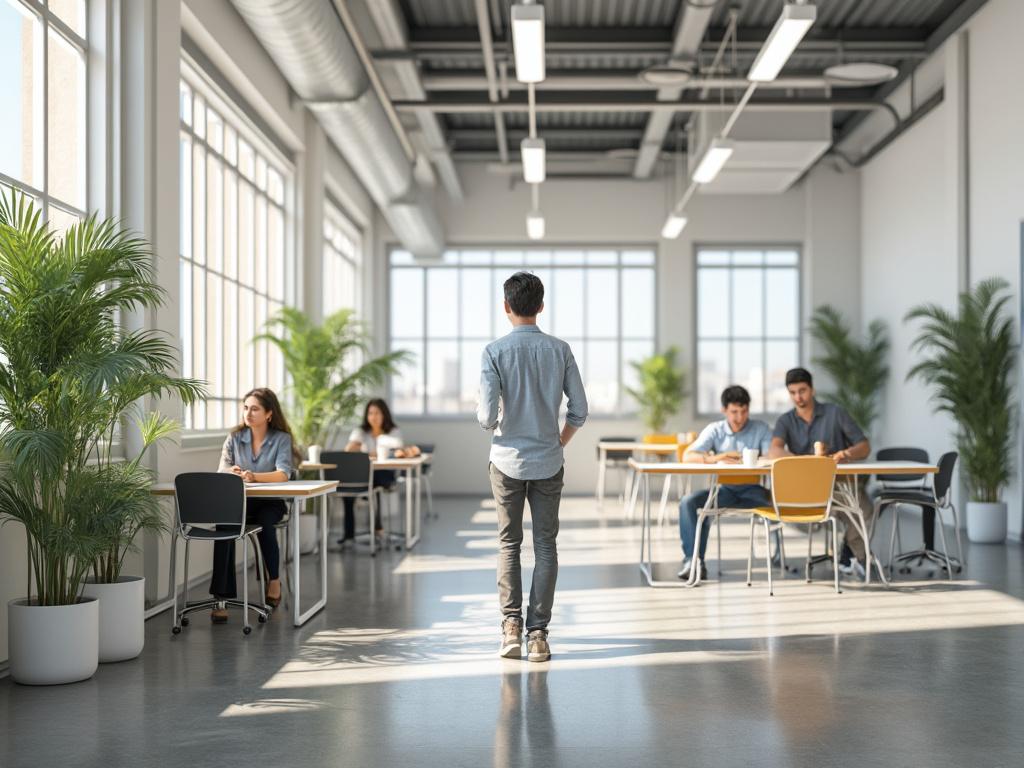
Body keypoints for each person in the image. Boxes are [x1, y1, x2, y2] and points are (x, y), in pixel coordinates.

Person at [478, 272, 587, 662]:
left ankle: (510, 628)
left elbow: (488, 417)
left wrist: (493, 422)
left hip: (506, 462)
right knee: (545, 546)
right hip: (548, 461)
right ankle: (537, 634)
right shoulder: (560, 350)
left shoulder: (493, 352)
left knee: (509, 543)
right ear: (541, 307)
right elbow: (580, 410)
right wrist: (559, 440)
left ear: (506, 307)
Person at [768, 367, 873, 577]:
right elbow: (774, 449)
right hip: (806, 490)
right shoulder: (785, 421)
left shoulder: (835, 413)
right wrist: (803, 462)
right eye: (793, 392)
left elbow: (864, 446)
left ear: (812, 389)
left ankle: (852, 553)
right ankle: (854, 555)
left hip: (840, 486)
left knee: (863, 509)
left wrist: (846, 453)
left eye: (803, 390)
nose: (798, 397)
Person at [212, 387, 300, 623]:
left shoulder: (281, 439)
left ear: (269, 413)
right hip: (240, 502)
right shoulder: (234, 438)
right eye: (245, 408)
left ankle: (274, 579)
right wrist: (232, 471)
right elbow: (222, 470)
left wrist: (254, 477)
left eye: (254, 408)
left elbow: (283, 474)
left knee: (266, 523)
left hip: (270, 503)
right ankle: (221, 597)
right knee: (224, 524)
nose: (248, 413)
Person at [677, 385, 773, 581]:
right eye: (734, 412)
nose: (740, 417)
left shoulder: (761, 428)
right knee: (689, 502)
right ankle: (693, 561)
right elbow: (688, 456)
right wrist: (716, 458)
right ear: (724, 411)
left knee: (782, 500)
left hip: (755, 492)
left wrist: (752, 462)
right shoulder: (715, 430)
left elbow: (771, 458)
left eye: (744, 411)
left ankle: (778, 555)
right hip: (723, 492)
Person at [337, 398, 419, 544]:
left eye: (377, 413)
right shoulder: (361, 432)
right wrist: (354, 446)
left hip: (385, 473)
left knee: (373, 482)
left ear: (384, 415)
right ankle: (349, 534)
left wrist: (369, 452)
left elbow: (396, 450)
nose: (373, 417)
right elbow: (348, 451)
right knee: (348, 489)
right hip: (363, 474)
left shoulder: (393, 432)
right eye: (370, 413)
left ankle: (377, 526)